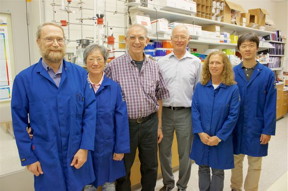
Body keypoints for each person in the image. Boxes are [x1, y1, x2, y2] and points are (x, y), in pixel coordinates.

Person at [11, 22, 96, 191]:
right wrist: (28, 157)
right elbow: (19, 122)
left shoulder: (80, 74)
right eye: (49, 39)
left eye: (59, 39)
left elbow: (90, 112)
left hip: (76, 153)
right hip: (44, 156)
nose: (55, 44)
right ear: (38, 42)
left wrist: (85, 148)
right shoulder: (24, 79)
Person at [104, 24, 170, 191]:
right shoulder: (113, 67)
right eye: (132, 37)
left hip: (150, 123)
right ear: (126, 40)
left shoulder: (154, 66)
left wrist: (159, 126)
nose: (137, 41)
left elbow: (160, 96)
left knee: (150, 166)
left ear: (147, 41)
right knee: (123, 169)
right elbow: (105, 98)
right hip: (125, 125)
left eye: (141, 38)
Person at [158, 25, 202, 191]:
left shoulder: (196, 63)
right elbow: (157, 91)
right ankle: (168, 184)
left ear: (188, 40)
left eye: (183, 36)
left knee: (185, 153)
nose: (179, 40)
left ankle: (182, 185)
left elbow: (199, 92)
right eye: (176, 36)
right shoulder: (161, 62)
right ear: (171, 39)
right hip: (166, 112)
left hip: (186, 113)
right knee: (164, 151)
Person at [231, 32, 277, 191]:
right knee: (235, 161)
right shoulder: (232, 73)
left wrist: (268, 130)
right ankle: (235, 188)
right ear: (239, 49)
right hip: (235, 125)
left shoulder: (267, 74)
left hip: (257, 126)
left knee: (255, 163)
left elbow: (271, 105)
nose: (248, 49)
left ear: (257, 48)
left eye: (251, 45)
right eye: (244, 46)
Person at [190, 51, 240, 191]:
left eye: (218, 62)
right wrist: (200, 132)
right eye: (211, 62)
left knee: (218, 171)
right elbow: (195, 110)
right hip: (202, 137)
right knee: (203, 168)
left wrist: (219, 137)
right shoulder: (201, 86)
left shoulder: (232, 89)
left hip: (220, 138)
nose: (214, 65)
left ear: (224, 65)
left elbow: (233, 116)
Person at [83, 44, 130, 191]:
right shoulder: (79, 86)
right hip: (85, 146)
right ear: (85, 62)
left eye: (99, 59)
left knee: (109, 183)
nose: (95, 63)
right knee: (87, 182)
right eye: (91, 59)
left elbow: (121, 120)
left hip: (108, 145)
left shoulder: (114, 87)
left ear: (105, 61)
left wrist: (120, 148)